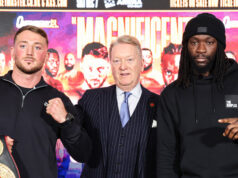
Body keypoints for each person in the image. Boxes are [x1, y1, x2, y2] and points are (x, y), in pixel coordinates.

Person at [2, 25, 91, 177]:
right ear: (13, 52)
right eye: (23, 45)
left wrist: (66, 121)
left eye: (37, 47)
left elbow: (83, 154)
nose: (29, 53)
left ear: (46, 55)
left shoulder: (58, 99)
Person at [157, 13, 238, 177]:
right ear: (186, 46)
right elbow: (166, 157)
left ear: (220, 46)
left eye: (209, 42)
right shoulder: (172, 95)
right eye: (194, 42)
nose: (201, 49)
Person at [77, 35, 159, 178]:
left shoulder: (160, 105)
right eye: (116, 60)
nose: (123, 66)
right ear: (111, 66)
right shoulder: (91, 99)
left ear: (141, 64)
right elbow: (74, 140)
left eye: (129, 60)